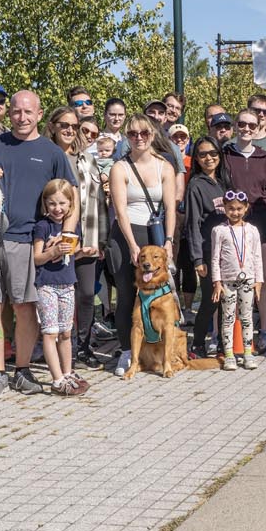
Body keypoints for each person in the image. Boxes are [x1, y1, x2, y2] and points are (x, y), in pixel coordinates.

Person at [0, 89, 77, 399]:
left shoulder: (52, 153)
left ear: (38, 114)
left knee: (24, 308)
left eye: (28, 112)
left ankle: (22, 370)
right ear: (9, 113)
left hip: (27, 242)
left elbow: (72, 199)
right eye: (16, 111)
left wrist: (66, 237)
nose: (22, 117)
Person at [108, 116, 177, 377]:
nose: (139, 137)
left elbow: (170, 207)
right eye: (133, 133)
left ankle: (161, 351)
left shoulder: (165, 166)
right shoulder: (120, 168)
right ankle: (127, 351)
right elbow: (120, 210)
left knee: (162, 294)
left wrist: (169, 241)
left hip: (156, 232)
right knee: (127, 295)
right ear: (127, 136)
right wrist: (132, 245)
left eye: (144, 132)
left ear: (152, 134)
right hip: (128, 233)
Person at [222, 108, 266, 352]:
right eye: (242, 124)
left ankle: (265, 333)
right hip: (232, 222)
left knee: (261, 278)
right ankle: (234, 335)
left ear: (259, 125)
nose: (247, 129)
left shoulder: (264, 157)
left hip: (261, 222)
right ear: (236, 125)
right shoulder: (226, 153)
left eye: (252, 124)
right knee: (233, 277)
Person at [51, 106, 106, 369]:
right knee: (55, 293)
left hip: (87, 233)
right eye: (70, 126)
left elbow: (99, 203)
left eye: (77, 128)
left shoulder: (88, 160)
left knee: (85, 293)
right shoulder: (47, 156)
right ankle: (53, 347)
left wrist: (99, 241)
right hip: (52, 234)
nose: (74, 132)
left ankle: (83, 346)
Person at [32, 180, 86, 395]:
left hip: (68, 283)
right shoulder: (42, 226)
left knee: (66, 332)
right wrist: (52, 253)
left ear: (70, 204)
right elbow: (36, 258)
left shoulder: (71, 226)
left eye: (63, 203)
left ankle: (67, 371)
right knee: (50, 332)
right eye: (52, 203)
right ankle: (56, 379)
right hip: (47, 285)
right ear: (46, 204)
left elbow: (77, 246)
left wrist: (83, 250)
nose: (58, 208)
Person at [184, 136, 227, 358]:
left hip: (227, 251)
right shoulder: (195, 186)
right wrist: (197, 259)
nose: (209, 158)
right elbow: (192, 224)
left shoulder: (224, 181)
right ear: (196, 159)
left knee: (225, 300)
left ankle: (222, 344)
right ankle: (198, 344)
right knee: (211, 299)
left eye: (213, 153)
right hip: (207, 251)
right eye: (202, 154)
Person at [213, 191, 264, 370]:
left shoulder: (252, 230)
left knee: (247, 317)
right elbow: (215, 258)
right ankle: (229, 355)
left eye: (239, 209)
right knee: (227, 318)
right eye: (231, 209)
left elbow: (257, 256)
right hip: (227, 281)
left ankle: (248, 353)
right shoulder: (219, 231)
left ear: (246, 208)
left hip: (248, 280)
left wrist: (259, 281)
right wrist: (217, 282)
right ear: (224, 208)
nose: (235, 212)